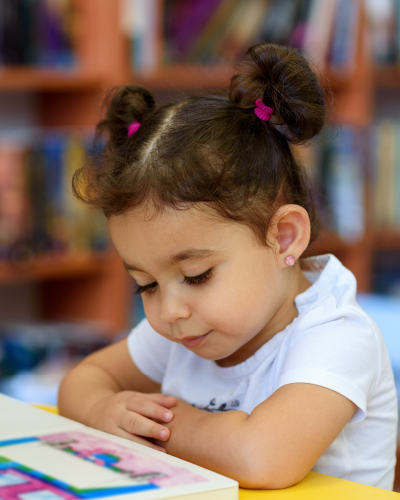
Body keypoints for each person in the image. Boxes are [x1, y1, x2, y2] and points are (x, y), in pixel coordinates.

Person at [58, 43, 397, 490]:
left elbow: (263, 459)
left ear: (284, 237)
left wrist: (155, 426)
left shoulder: (336, 335)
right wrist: (104, 410)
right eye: (145, 285)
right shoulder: (190, 327)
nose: (169, 310)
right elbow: (82, 381)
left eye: (197, 276)